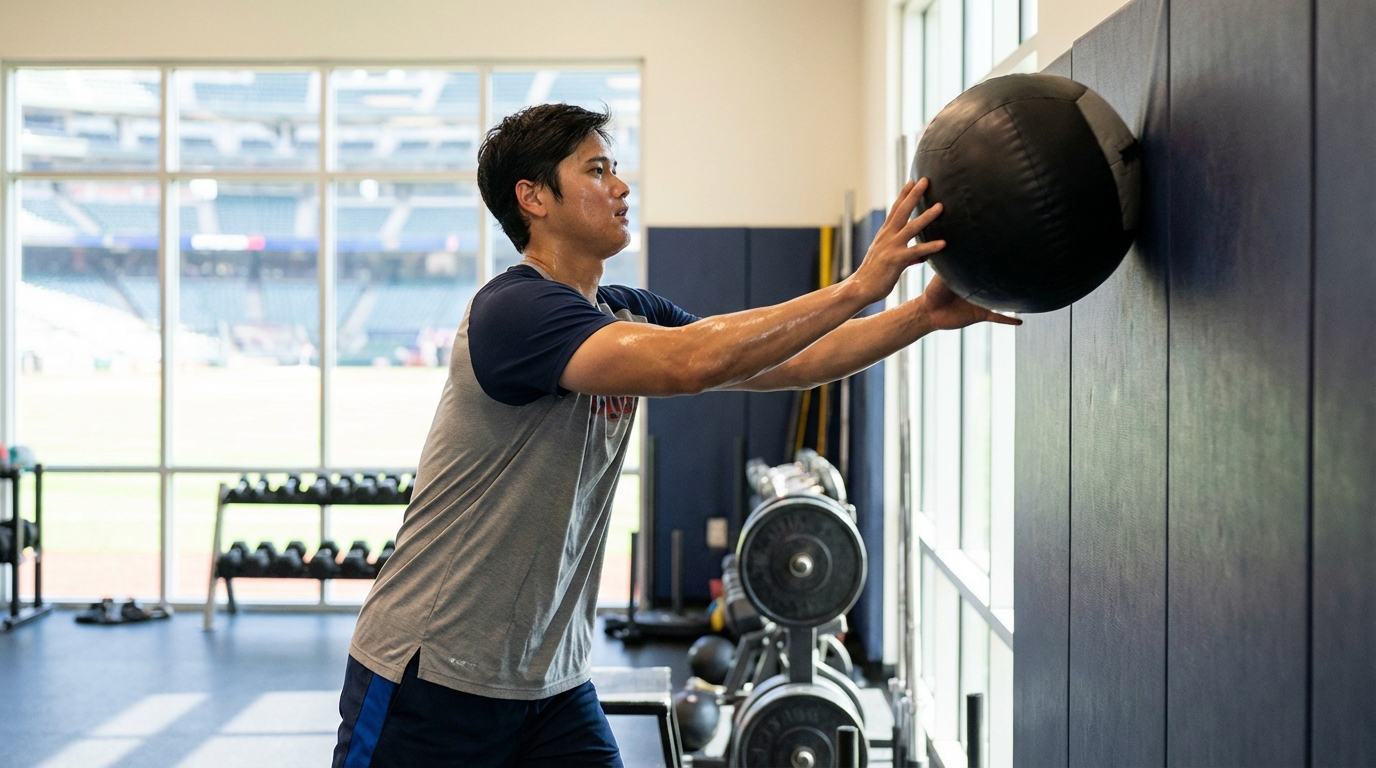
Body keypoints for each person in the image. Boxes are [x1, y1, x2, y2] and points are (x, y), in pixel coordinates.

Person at [332, 103, 1018, 768]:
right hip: (432, 674)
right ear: (533, 198)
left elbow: (790, 360)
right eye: (597, 171)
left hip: (551, 679)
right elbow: (695, 363)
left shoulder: (626, 310)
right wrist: (856, 286)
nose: (621, 185)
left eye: (616, 168)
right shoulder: (515, 310)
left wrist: (921, 315)